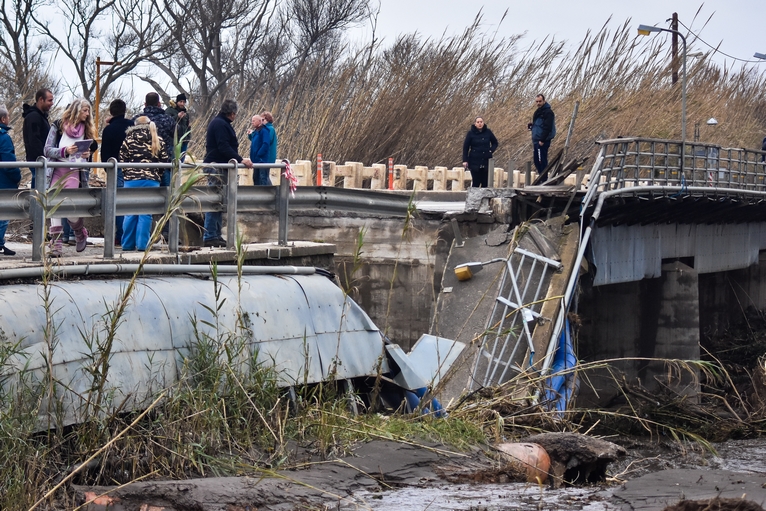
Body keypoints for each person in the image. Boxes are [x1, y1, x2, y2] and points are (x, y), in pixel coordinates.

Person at [43, 99, 98, 256]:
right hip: (56, 170)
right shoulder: (58, 125)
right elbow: (47, 149)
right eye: (85, 111)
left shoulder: (86, 127)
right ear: (76, 110)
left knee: (70, 207)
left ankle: (80, 232)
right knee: (54, 205)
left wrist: (87, 154)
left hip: (74, 171)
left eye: (88, 111)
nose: (87, 114)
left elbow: (91, 147)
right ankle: (56, 244)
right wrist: (65, 151)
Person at [202, 99, 253, 247]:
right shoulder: (220, 124)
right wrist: (240, 159)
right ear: (231, 113)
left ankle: (214, 234)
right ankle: (210, 235)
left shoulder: (220, 123)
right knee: (215, 201)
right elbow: (223, 146)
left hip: (219, 165)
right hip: (216, 166)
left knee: (219, 201)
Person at [119, 116, 169, 251]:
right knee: (146, 213)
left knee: (129, 213)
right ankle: (142, 245)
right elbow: (165, 161)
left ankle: (127, 245)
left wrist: (128, 174)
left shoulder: (128, 140)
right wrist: (156, 175)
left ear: (135, 125)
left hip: (131, 180)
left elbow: (121, 160)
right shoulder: (157, 139)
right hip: (151, 181)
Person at [101, 99, 134, 246]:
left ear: (111, 112)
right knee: (130, 203)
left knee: (117, 203)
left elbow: (105, 155)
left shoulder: (109, 130)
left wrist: (106, 168)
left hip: (115, 168)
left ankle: (119, 236)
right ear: (124, 110)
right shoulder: (132, 126)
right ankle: (128, 236)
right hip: (133, 168)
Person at [135, 92, 174, 185]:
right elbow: (177, 136)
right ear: (159, 104)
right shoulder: (168, 120)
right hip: (163, 165)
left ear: (145, 104)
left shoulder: (136, 120)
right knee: (167, 196)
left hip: (139, 167)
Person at [0, 105, 21, 255]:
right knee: (3, 214)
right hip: (4, 181)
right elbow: (9, 162)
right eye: (7, 117)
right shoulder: (4, 137)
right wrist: (17, 177)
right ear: (3, 119)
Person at [22, 88, 53, 189]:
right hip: (39, 161)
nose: (52, 103)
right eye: (49, 100)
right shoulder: (34, 117)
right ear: (41, 100)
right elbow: (34, 141)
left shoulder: (41, 117)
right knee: (39, 190)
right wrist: (45, 157)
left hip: (41, 161)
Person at [462, 116, 498, 188]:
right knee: (476, 181)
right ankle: (474, 198)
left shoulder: (488, 132)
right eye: (478, 122)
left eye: (481, 122)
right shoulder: (471, 133)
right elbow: (466, 147)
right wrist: (465, 160)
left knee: (485, 182)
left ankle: (484, 198)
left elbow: (495, 142)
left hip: (486, 160)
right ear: (475, 124)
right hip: (474, 160)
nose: (479, 124)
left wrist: (491, 150)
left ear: (483, 123)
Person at [530, 94, 556, 173]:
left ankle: (543, 178)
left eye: (540, 101)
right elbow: (538, 125)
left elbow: (547, 127)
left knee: (542, 160)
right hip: (536, 140)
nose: (538, 103)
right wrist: (532, 126)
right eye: (537, 101)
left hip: (542, 141)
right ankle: (541, 177)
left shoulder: (548, 112)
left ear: (544, 101)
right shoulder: (537, 112)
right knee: (536, 161)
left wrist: (542, 140)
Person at [249, 114, 273, 185]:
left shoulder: (264, 131)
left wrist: (259, 154)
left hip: (261, 161)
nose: (252, 122)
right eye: (252, 121)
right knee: (255, 178)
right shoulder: (256, 131)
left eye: (254, 121)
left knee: (262, 179)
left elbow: (266, 144)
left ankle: (263, 194)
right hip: (256, 161)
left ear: (259, 121)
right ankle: (257, 194)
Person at [165, 93, 191, 159]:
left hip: (184, 141)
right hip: (173, 141)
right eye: (180, 102)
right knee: (172, 160)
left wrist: (188, 137)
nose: (182, 104)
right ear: (177, 102)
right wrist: (177, 117)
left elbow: (187, 126)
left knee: (181, 161)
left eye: (184, 102)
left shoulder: (186, 113)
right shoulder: (169, 110)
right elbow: (166, 122)